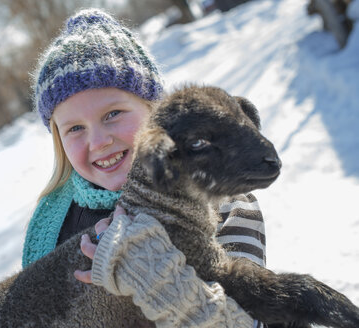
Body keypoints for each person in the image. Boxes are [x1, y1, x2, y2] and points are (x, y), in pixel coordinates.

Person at [23, 8, 266, 327]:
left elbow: (252, 317)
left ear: (154, 107)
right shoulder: (57, 223)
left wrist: (156, 279)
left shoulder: (215, 196)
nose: (98, 142)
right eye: (75, 129)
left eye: (113, 114)